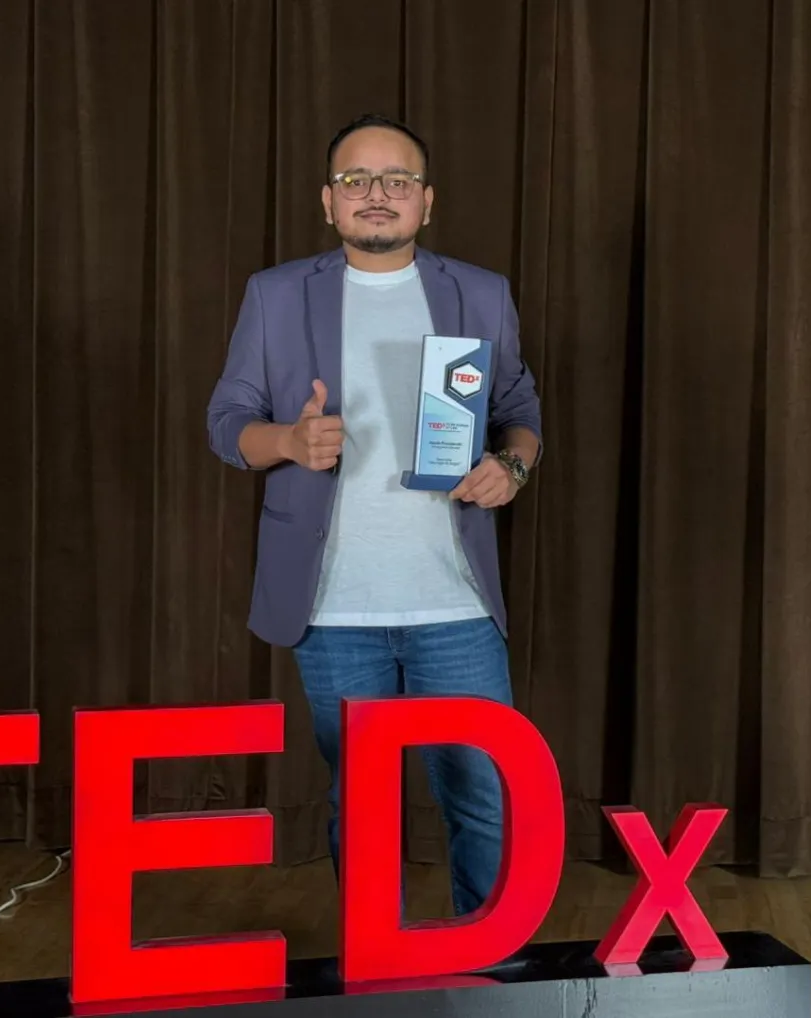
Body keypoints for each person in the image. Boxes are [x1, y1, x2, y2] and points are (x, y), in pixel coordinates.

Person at [206, 113, 542, 917]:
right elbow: (227, 424)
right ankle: (377, 977)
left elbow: (518, 407)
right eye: (357, 181)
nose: (377, 196)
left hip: (455, 603)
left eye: (397, 181)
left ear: (426, 201)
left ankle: (486, 975)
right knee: (360, 808)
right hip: (332, 607)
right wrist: (287, 438)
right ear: (329, 201)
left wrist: (512, 466)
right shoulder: (277, 294)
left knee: (483, 802)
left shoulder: (480, 292)